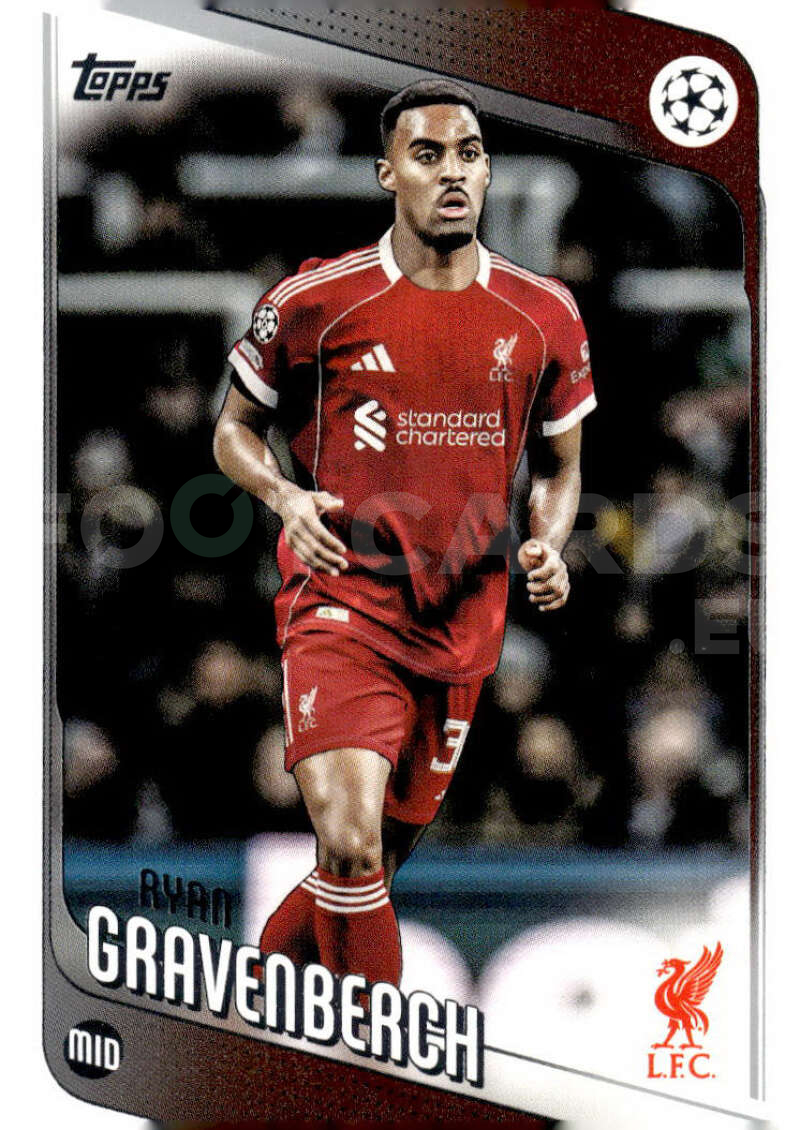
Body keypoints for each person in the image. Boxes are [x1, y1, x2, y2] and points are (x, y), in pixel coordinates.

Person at [213, 79, 596, 990]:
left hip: (462, 622)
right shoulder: (316, 301)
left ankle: (254, 1011)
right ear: (388, 172)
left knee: (365, 866)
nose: (453, 172)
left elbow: (559, 465)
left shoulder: (543, 313)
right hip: (341, 602)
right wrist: (285, 497)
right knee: (348, 844)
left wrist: (546, 541)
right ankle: (378, 1059)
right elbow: (234, 429)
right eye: (428, 155)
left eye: (469, 154)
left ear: (488, 171)